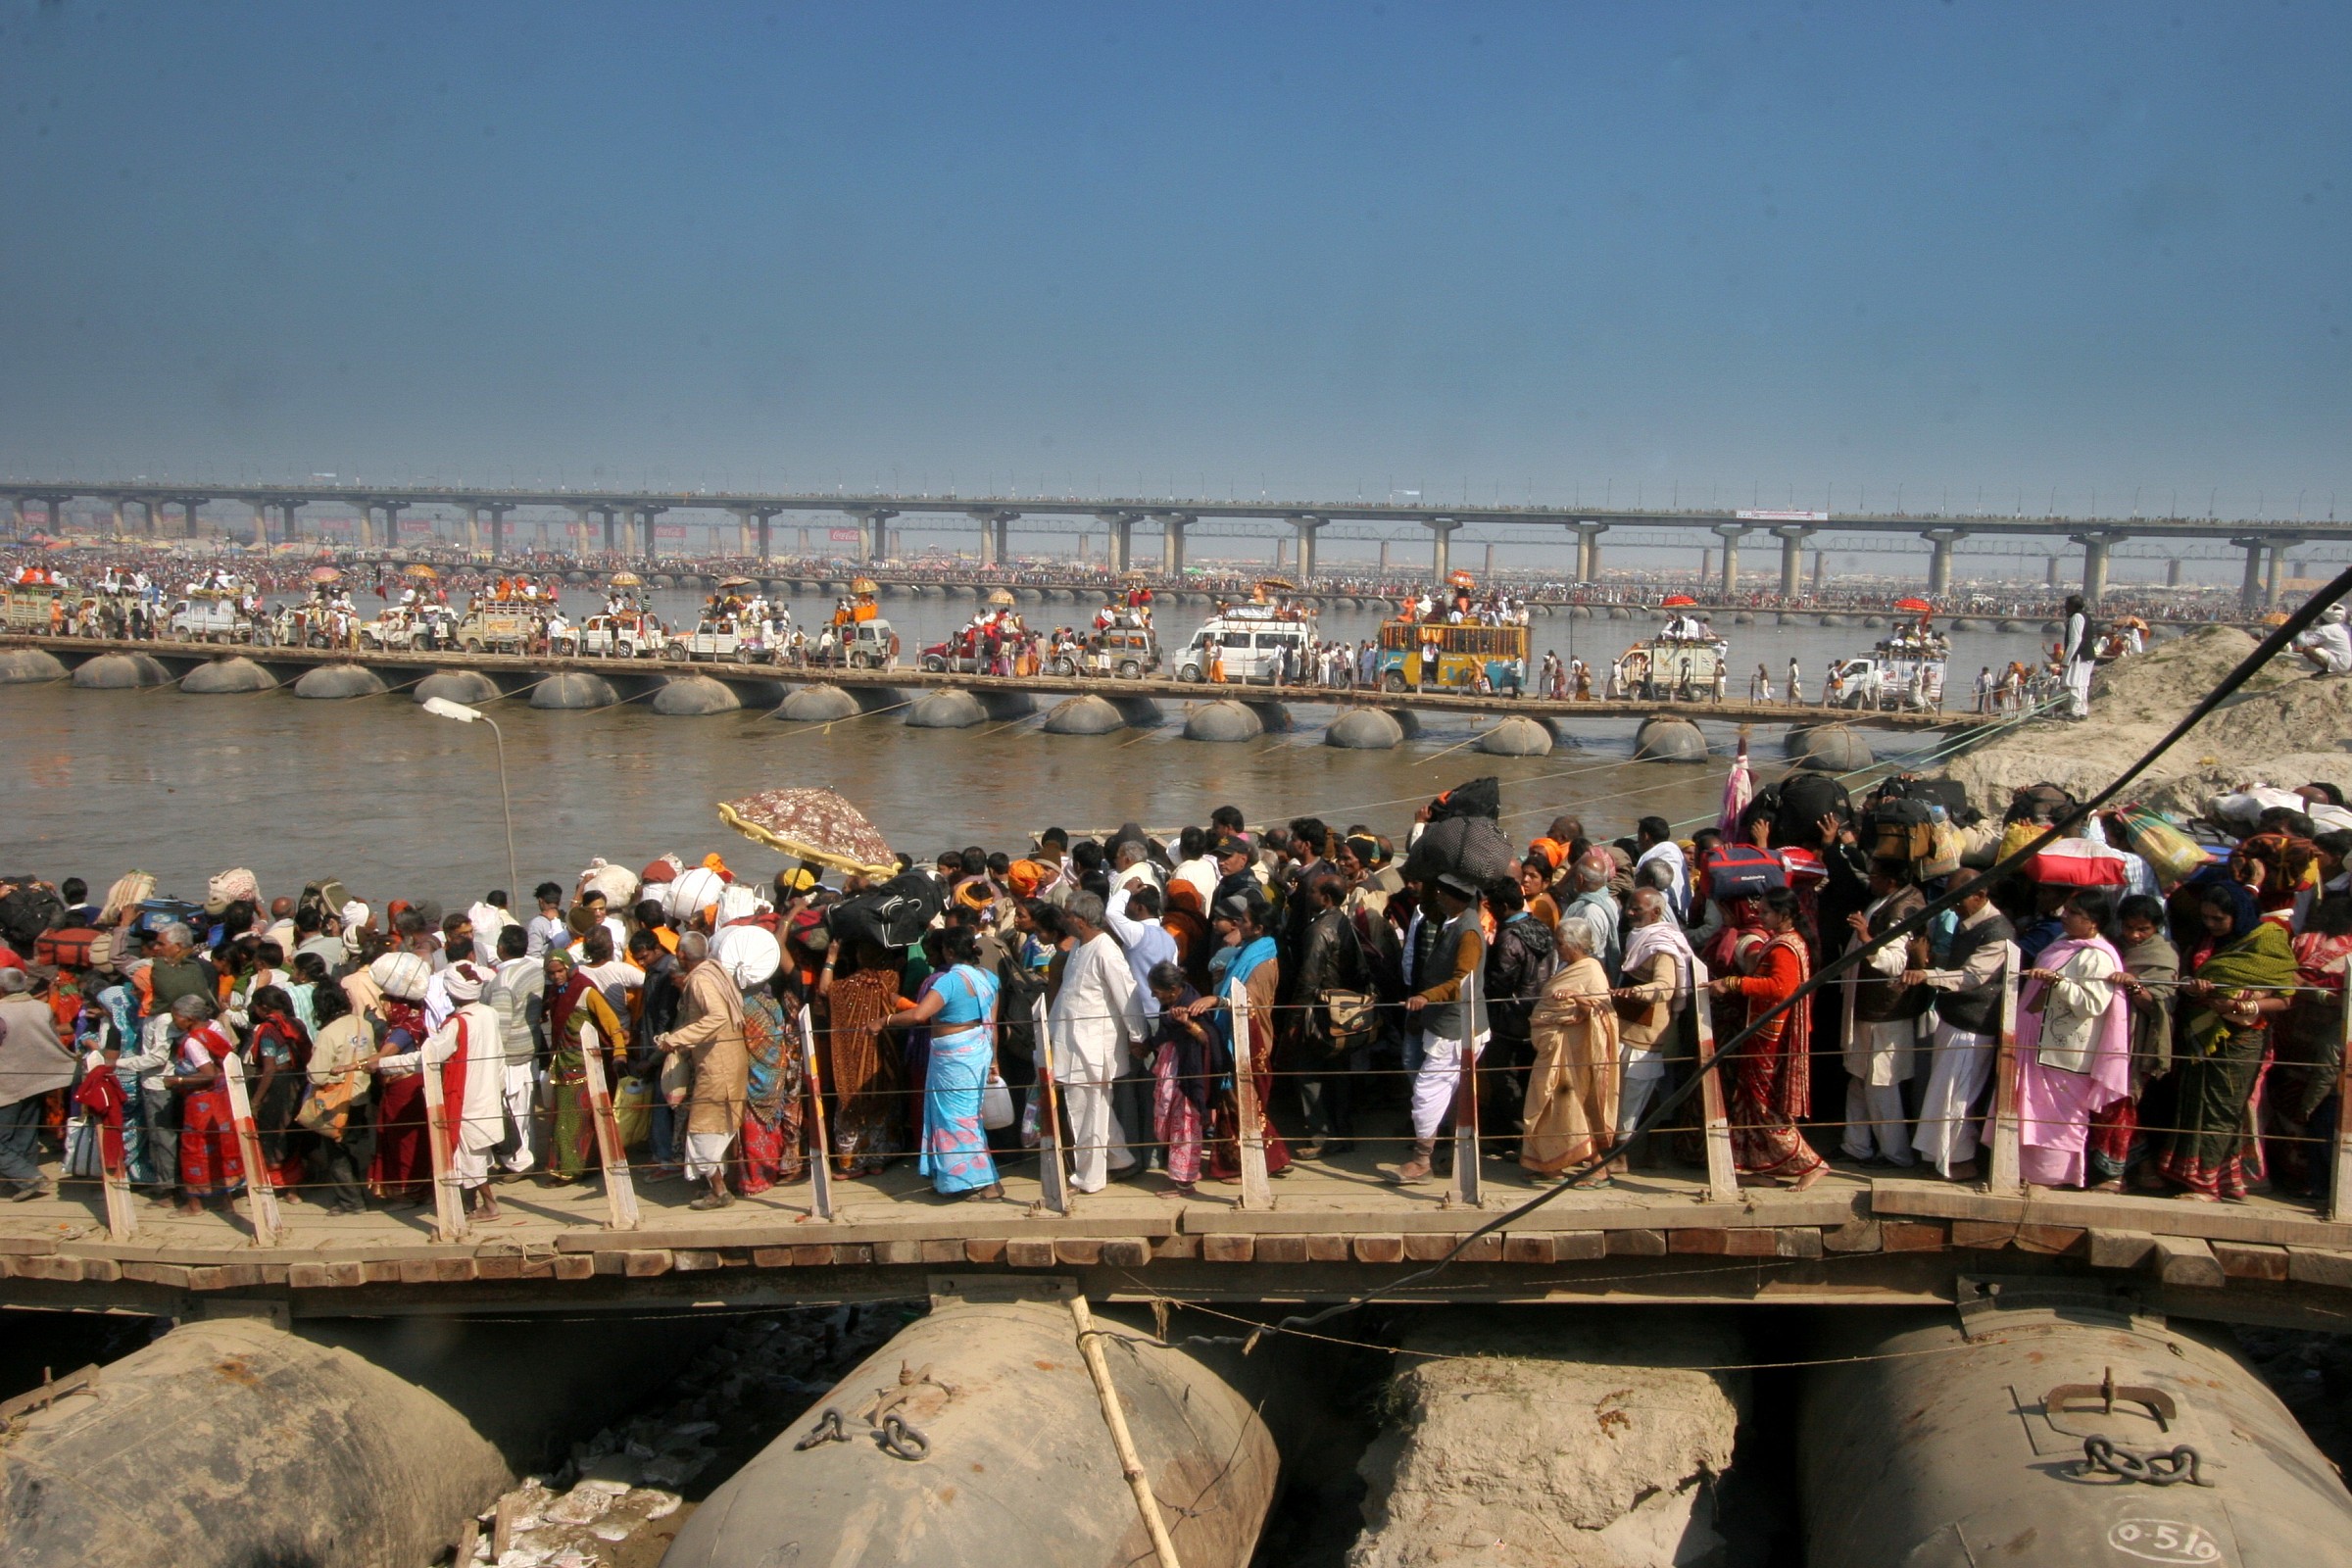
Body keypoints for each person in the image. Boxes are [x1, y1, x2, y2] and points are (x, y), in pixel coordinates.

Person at [2151, 881, 2298, 1201]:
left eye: (2219, 919)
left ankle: (2206, 1184)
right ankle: (2221, 1181)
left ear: (2240, 914)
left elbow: (2286, 998)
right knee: (2195, 1103)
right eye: (2206, 918)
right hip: (2199, 1033)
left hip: (2242, 1037)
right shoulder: (2206, 941)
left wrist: (2244, 1005)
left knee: (2223, 1107)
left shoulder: (2267, 941)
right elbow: (2188, 977)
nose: (2212, 925)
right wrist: (2194, 986)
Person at [2006, 891, 2132, 1190]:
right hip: (2035, 1042)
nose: (2064, 914)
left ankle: (2053, 1177)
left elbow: (2092, 1005)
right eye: (2068, 909)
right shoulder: (2061, 944)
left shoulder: (2098, 956)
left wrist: (2058, 983)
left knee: (2059, 1117)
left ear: (2093, 923)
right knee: (2027, 1109)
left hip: (2065, 1052)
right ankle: (2024, 1172)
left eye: (2074, 913)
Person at [1706, 888, 1827, 1190]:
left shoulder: (1784, 947)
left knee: (1764, 1103)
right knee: (1749, 1099)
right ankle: (1758, 1167)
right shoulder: (1783, 942)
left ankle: (1811, 1163)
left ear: (1784, 916)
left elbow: (1779, 988)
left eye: (1766, 913)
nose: (1760, 917)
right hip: (1764, 1030)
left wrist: (1733, 983)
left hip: (1770, 1035)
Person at [1905, 876, 2014, 1179]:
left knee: (1959, 1095)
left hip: (1974, 1024)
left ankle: (1961, 1161)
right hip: (1953, 1018)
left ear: (1979, 895)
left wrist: (1927, 975)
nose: (1953, 906)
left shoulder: (1997, 931)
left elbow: (1972, 977)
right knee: (1943, 1091)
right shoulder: (1967, 923)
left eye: (1958, 899)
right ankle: (1941, 1157)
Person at [383, 960, 507, 1220]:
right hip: (489, 1092)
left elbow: (427, 1057)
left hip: (465, 1098)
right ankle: (468, 1204)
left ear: (453, 992)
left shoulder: (456, 1024)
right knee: (474, 1154)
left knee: (469, 1156)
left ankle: (490, 1205)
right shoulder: (488, 1013)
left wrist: (383, 1063)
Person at [888, 924, 1004, 1200]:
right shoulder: (988, 978)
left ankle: (983, 1181)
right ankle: (956, 1179)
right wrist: (993, 1061)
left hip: (955, 1057)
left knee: (958, 1119)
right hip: (977, 1051)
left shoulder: (949, 981)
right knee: (966, 1117)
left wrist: (886, 1020)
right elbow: (992, 1023)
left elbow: (919, 1016)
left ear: (949, 952)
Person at [1048, 894, 1149, 1192]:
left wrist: (1137, 1035)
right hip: (1071, 1041)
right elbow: (1069, 994)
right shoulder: (1079, 947)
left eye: (1066, 914)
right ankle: (1121, 1160)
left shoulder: (1105, 950)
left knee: (1085, 1109)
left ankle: (1089, 1177)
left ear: (1079, 919)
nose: (1063, 920)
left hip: (1092, 1046)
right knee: (1092, 1108)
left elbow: (1127, 995)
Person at [1394, 873, 1487, 1186]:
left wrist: (1426, 997)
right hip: (1446, 1023)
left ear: (1456, 899)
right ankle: (1447, 1154)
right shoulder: (1452, 920)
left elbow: (1463, 982)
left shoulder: (1468, 930)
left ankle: (1422, 1161)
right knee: (1449, 1093)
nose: (1437, 899)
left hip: (1455, 1027)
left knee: (1427, 1092)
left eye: (1442, 895)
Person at [1520, 921, 1621, 1184]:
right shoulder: (1569, 968)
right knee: (1545, 1105)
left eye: (1561, 943)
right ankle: (1548, 1165)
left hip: (1574, 1055)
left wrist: (1576, 998)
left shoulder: (1592, 971)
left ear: (1576, 945)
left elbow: (1602, 1013)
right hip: (1554, 1049)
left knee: (1569, 1108)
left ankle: (1596, 1169)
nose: (1557, 948)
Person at [2089, 894, 2178, 1191]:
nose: (2134, 936)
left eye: (2143, 930)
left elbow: (2161, 1004)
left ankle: (2115, 1175)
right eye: (2129, 928)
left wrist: (2134, 985)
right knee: (2106, 1103)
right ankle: (2141, 1170)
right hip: (2104, 1037)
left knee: (2121, 1103)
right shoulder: (2111, 946)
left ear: (2156, 928)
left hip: (2136, 1042)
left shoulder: (2163, 954)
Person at [657, 932, 750, 1210]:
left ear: (681, 955)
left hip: (717, 1064)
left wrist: (676, 1039)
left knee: (703, 1128)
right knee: (724, 1123)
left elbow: (718, 1016)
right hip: (729, 1058)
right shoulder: (717, 969)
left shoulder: (699, 978)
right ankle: (721, 1183)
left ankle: (720, 1191)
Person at [1842, 859, 1925, 1167]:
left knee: (1882, 1084)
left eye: (1874, 874)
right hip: (1867, 1007)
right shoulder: (1885, 900)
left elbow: (1894, 963)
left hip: (1886, 1011)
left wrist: (1865, 938)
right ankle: (1857, 1146)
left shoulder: (1903, 908)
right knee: (1858, 1078)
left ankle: (1895, 1154)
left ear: (1889, 880)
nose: (1870, 880)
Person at [1612, 886, 1694, 1160]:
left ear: (1656, 913)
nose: (1630, 912)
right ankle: (1651, 1153)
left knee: (1633, 1095)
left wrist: (1638, 992)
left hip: (1647, 1034)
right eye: (1630, 907)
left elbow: (1666, 986)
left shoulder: (1663, 946)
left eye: (1637, 909)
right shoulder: (1638, 937)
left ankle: (1621, 1157)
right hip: (1628, 1024)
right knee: (1637, 1093)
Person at [541, 946, 628, 1185]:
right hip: (563, 1067)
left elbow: (611, 1023)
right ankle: (567, 1167)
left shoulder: (585, 990)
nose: (556, 976)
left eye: (560, 971)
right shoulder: (558, 993)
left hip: (583, 1068)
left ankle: (575, 1169)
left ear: (569, 968)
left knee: (578, 1121)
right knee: (563, 1119)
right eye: (551, 973)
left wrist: (620, 1052)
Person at [817, 939, 903, 1178]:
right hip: (882, 1056)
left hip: (851, 1060)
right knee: (882, 1102)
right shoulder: (890, 980)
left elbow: (824, 989)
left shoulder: (847, 986)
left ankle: (851, 1164)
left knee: (851, 1105)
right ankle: (879, 1159)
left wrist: (832, 957)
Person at [165, 993, 244, 1215]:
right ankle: (225, 1200)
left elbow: (208, 1073)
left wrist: (177, 1080)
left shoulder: (192, 1041)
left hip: (201, 1101)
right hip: (221, 1099)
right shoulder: (215, 1030)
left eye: (176, 1016)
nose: (174, 1021)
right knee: (221, 1144)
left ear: (189, 1018)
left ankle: (194, 1204)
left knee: (193, 1149)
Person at [0, 969, 74, 1200]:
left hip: (8, 1082)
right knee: (25, 1132)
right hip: (38, 1078)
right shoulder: (41, 1008)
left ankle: (27, 1177)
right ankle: (20, 1181)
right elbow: (51, 1037)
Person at [303, 982, 374, 1214]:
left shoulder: (328, 1033)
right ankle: (357, 1194)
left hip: (335, 1099)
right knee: (350, 1147)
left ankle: (350, 1201)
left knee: (336, 1151)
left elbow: (317, 1074)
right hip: (361, 1094)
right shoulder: (363, 1024)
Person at [1146, 961, 1214, 1195]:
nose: (1153, 996)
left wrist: (1186, 1022)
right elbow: (1163, 1034)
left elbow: (1207, 1039)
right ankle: (1179, 1176)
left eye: (1156, 991)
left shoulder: (1192, 1004)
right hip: (1172, 1070)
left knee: (1185, 1124)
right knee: (1173, 1121)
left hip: (1187, 1074)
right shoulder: (1171, 1004)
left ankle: (1185, 1181)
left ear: (1172, 989)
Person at [2291, 602, 2352, 677]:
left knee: (2308, 650)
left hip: (2341, 665)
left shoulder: (2325, 629)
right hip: (2349, 664)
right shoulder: (2345, 627)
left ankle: (2330, 670)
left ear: (2325, 618)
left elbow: (2302, 643)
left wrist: (2303, 628)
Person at [2059, 592, 2094, 719]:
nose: (2065, 609)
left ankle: (2075, 712)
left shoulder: (2077, 618)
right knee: (2082, 684)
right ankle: (2082, 711)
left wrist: (2066, 659)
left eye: (2067, 606)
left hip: (2079, 655)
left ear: (2073, 606)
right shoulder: (2086, 616)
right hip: (2087, 654)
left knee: (2074, 684)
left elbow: (2075, 640)